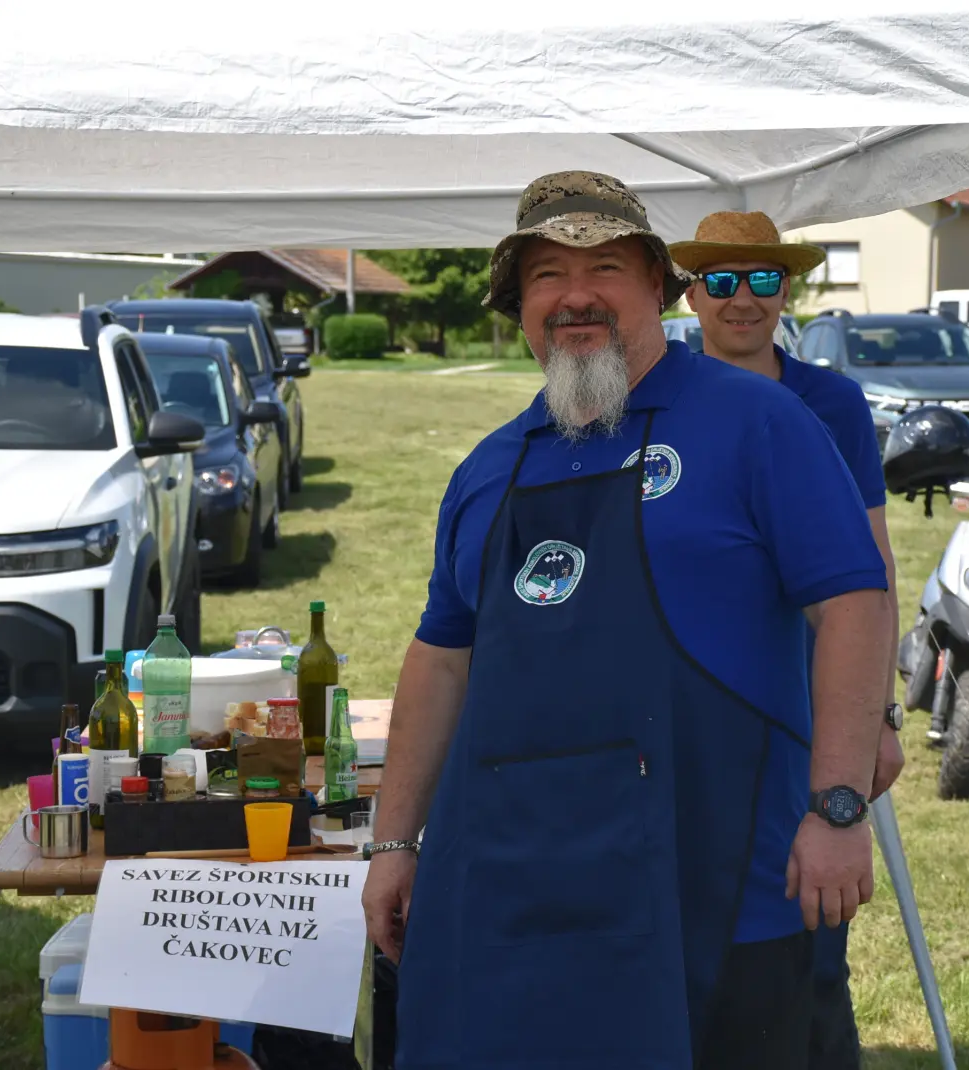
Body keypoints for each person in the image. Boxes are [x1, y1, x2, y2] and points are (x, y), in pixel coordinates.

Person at [361, 171, 894, 1070]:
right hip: (513, 896)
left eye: (604, 266)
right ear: (519, 308)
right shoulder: (489, 469)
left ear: (656, 286)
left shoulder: (756, 420)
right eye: (544, 276)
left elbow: (854, 601)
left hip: (714, 888)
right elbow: (440, 662)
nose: (575, 295)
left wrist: (838, 808)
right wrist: (393, 841)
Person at [670, 211, 907, 1069]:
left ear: (787, 290)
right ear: (692, 292)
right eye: (722, 280)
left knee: (811, 937)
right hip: (702, 709)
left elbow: (869, 563)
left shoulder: (829, 401)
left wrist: (881, 713)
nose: (742, 298)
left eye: (762, 279)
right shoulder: (660, 393)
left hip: (812, 706)